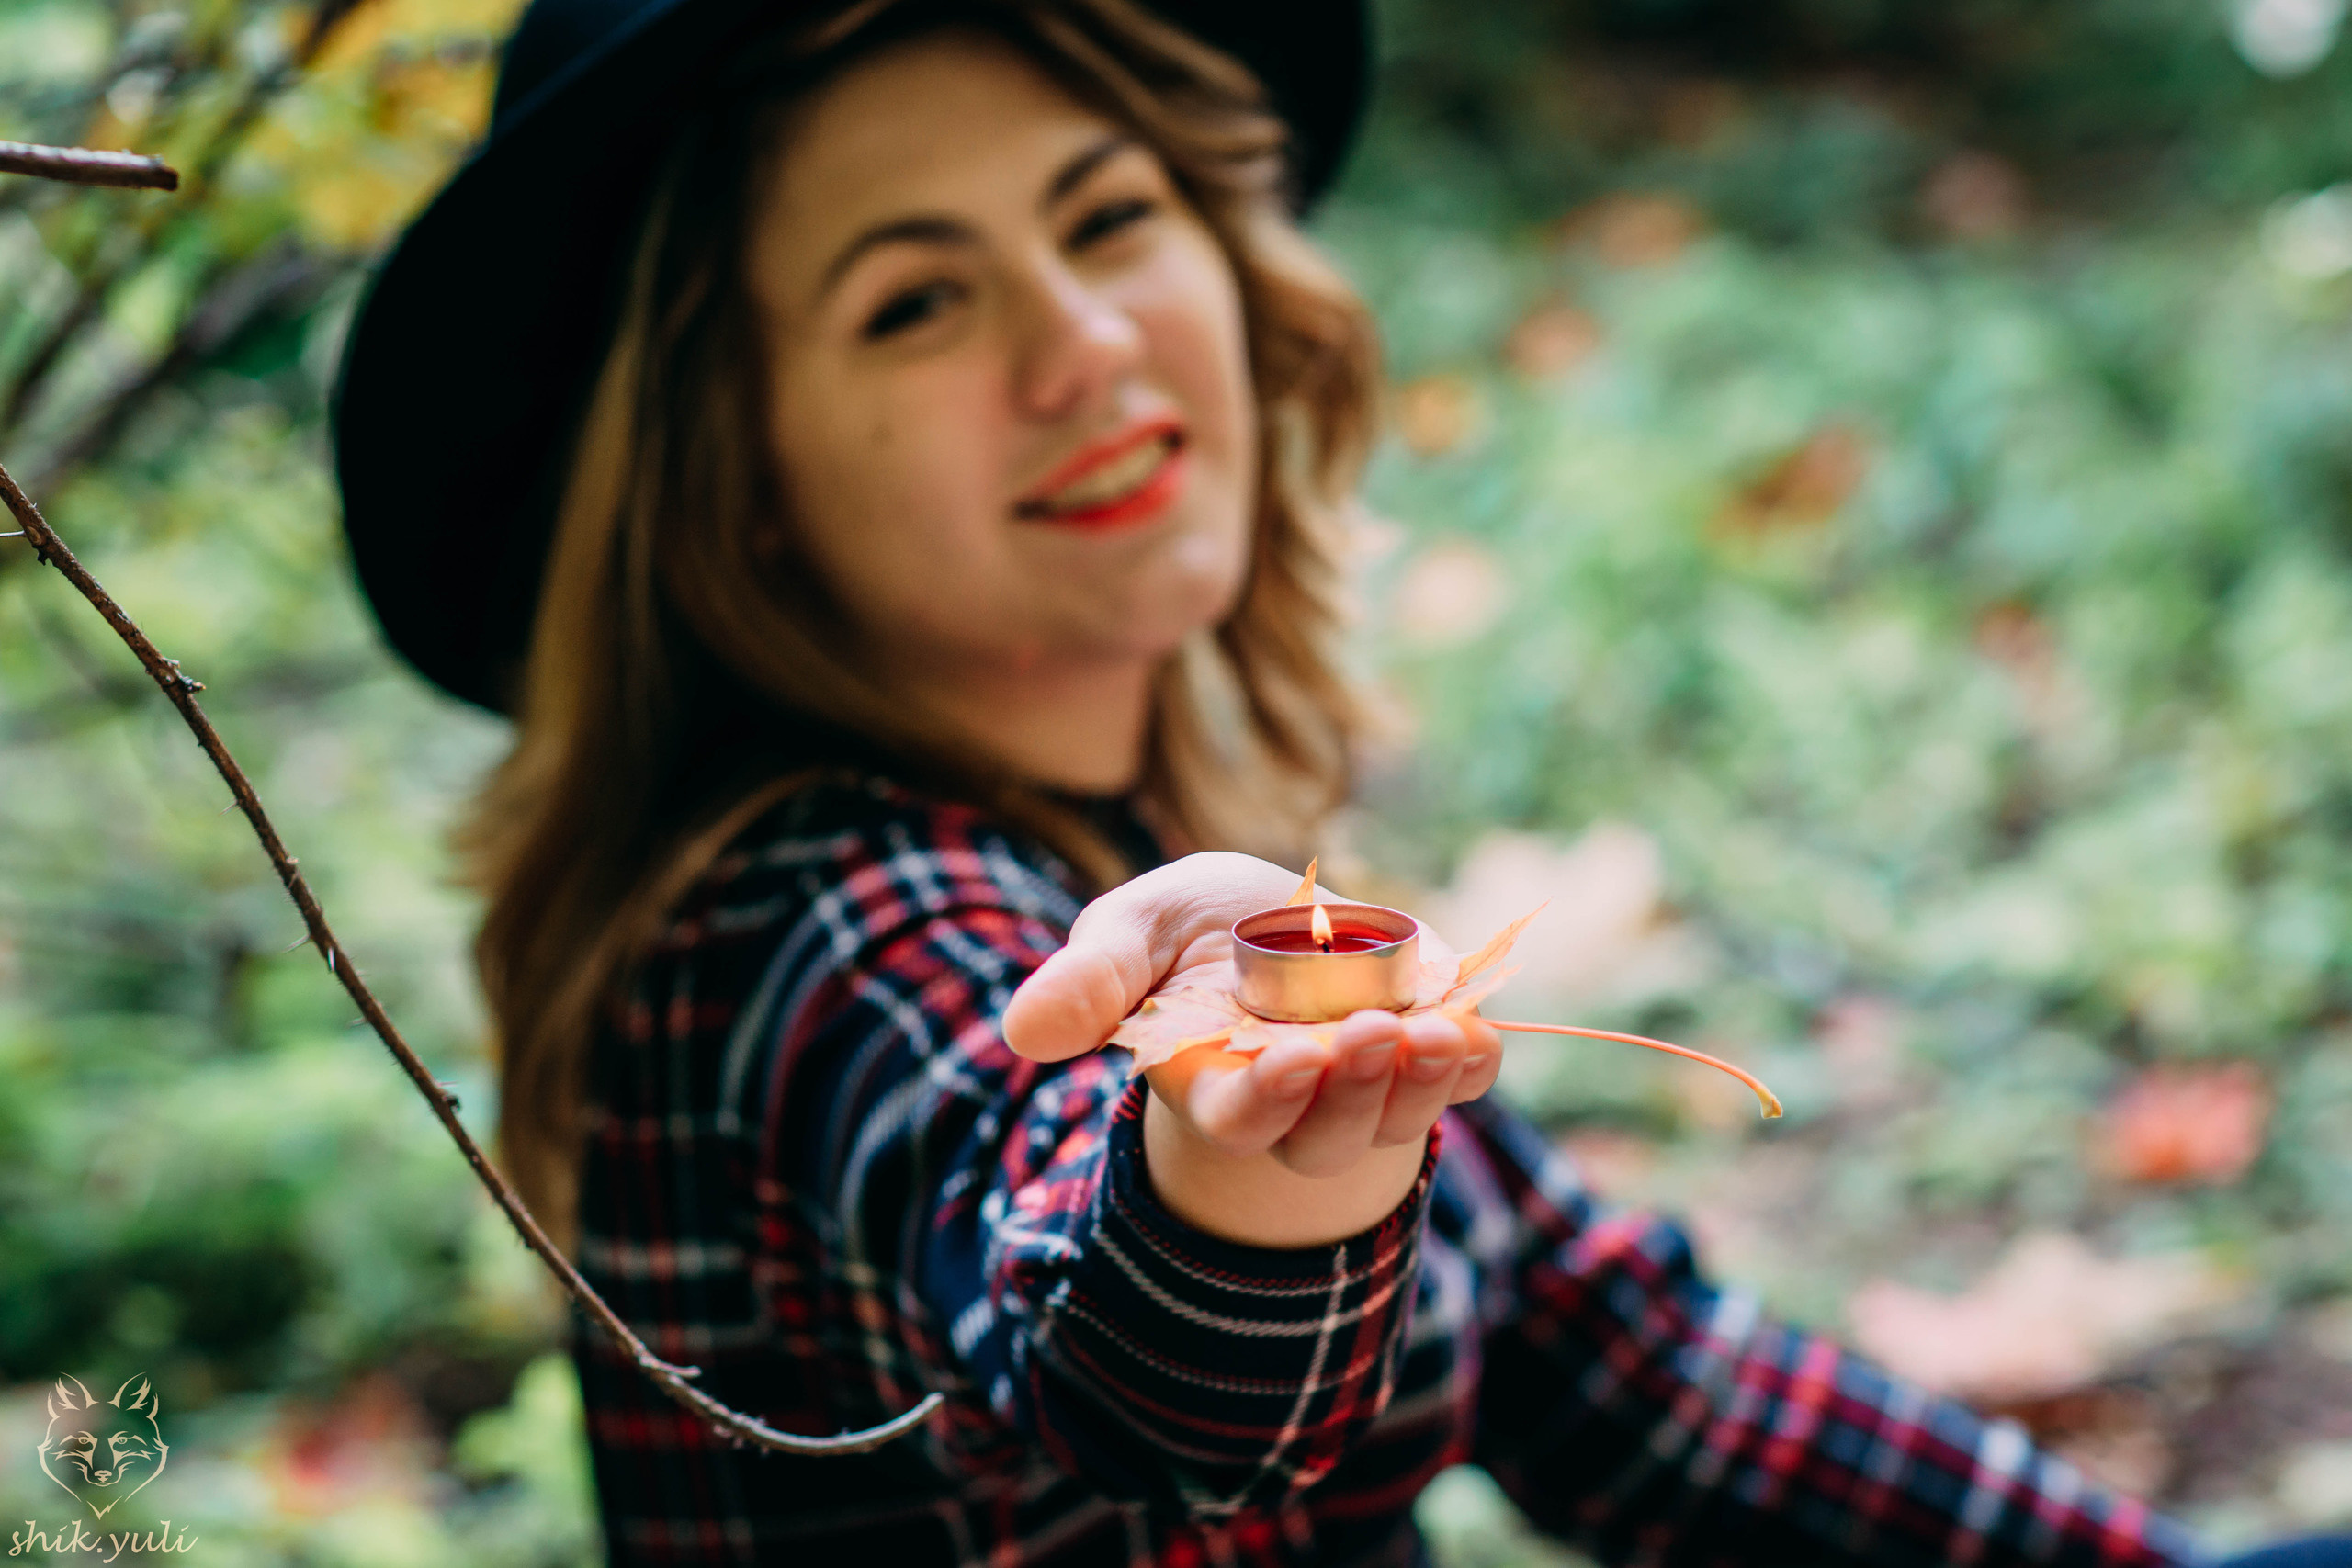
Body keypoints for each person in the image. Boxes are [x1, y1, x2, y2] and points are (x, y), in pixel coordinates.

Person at [330, 1, 2302, 1563]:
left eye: (1106, 218)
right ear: (730, 485)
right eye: (913, 301)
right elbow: (1101, 1339)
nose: (1083, 341)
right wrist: (1225, 1193)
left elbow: (1640, 1387)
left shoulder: (1122, 847)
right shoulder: (806, 917)